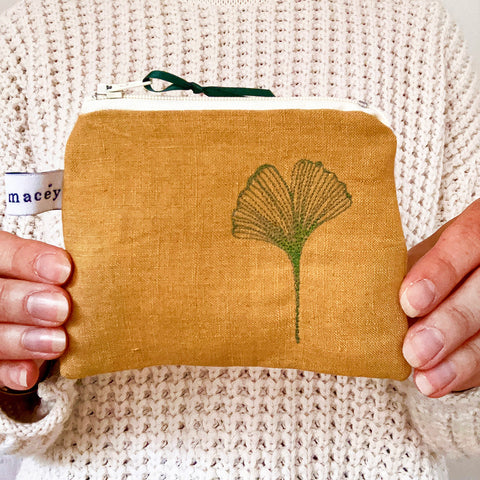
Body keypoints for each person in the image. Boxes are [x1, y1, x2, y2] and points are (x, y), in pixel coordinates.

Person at [0, 0, 479, 478]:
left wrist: (463, 369)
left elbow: (463, 430)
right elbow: (13, 429)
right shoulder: (33, 29)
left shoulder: (419, 31)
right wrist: (14, 382)